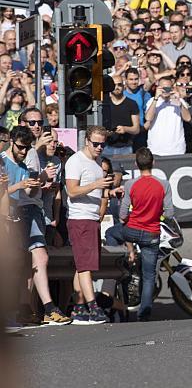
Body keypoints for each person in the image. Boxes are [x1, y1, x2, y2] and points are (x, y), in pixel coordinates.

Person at [3, 126, 70, 325]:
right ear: (11, 141)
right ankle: (19, 308)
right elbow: (5, 193)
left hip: (29, 212)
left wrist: (38, 182)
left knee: (39, 257)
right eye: (21, 148)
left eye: (27, 149)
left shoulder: (26, 166)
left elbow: (30, 195)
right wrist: (19, 186)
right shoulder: (2, 161)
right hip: (9, 216)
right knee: (16, 264)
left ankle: (47, 307)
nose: (23, 153)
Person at [105, 147, 173, 321]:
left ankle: (121, 261)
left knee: (111, 233)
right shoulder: (163, 184)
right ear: (154, 163)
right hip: (152, 233)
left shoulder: (130, 184)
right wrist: (156, 215)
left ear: (136, 164)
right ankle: (144, 313)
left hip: (132, 231)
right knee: (149, 275)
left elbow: (122, 215)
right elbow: (170, 214)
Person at [65, 126, 119, 324]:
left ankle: (79, 309)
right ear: (86, 141)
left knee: (83, 266)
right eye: (95, 143)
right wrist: (96, 185)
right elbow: (71, 191)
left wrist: (110, 191)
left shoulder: (96, 163)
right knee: (86, 266)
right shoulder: (76, 161)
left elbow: (97, 191)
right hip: (80, 218)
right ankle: (93, 307)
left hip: (91, 217)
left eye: (102, 144)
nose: (99, 147)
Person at [145, 76, 191, 156]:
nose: (165, 91)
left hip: (176, 150)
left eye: (168, 88)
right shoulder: (152, 101)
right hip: (156, 149)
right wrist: (156, 98)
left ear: (172, 88)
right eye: (163, 88)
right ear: (158, 88)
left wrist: (179, 102)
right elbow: (148, 118)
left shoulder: (179, 100)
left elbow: (188, 118)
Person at [102, 74, 140, 156]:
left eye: (119, 84)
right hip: (106, 147)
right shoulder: (104, 103)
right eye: (114, 85)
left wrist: (125, 129)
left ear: (124, 86)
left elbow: (136, 129)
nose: (116, 87)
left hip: (125, 148)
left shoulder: (132, 104)